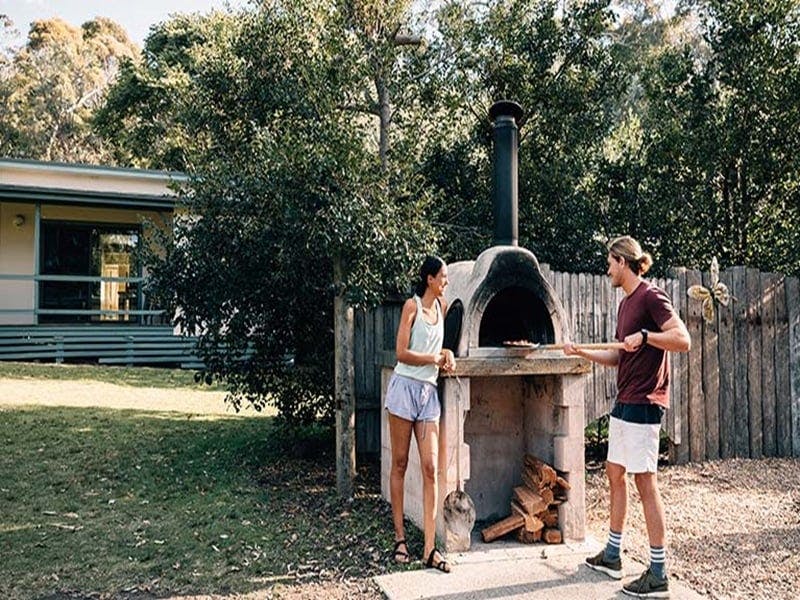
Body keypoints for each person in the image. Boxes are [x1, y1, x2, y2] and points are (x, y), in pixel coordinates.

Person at [564, 236, 690, 598]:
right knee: (614, 472)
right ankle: (613, 554)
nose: (607, 269)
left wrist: (648, 336)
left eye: (609, 263)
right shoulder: (625, 306)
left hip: (646, 402)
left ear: (622, 261)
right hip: (625, 400)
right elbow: (619, 356)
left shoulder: (650, 296)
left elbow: (683, 340)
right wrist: (583, 352)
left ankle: (658, 572)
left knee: (645, 482)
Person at [387, 255, 455, 573]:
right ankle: (400, 539)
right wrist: (434, 359)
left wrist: (448, 355)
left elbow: (439, 350)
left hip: (428, 394)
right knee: (400, 463)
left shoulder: (442, 309)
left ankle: (430, 548)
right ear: (429, 279)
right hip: (404, 390)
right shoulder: (411, 307)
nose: (446, 281)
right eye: (443, 276)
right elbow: (401, 352)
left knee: (431, 468)